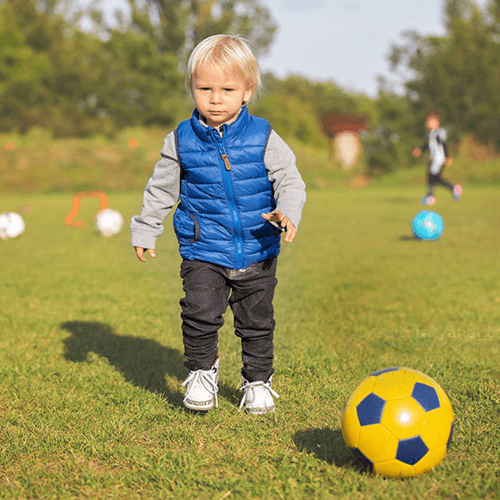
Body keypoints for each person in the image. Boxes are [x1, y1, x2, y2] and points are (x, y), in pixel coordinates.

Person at [130, 34, 306, 415]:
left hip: (258, 247)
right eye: (204, 88)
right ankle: (201, 372)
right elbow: (160, 189)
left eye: (227, 88)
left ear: (247, 91)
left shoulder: (264, 137)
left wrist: (287, 210)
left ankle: (257, 381)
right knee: (198, 313)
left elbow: (289, 179)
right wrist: (146, 228)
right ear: (192, 87)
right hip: (203, 247)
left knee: (257, 323)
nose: (215, 98)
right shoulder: (180, 139)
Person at [412, 112, 462, 204]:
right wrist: (420, 150)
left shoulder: (439, 132)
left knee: (431, 176)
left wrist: (447, 157)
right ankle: (454, 188)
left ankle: (430, 197)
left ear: (437, 122)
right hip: (434, 158)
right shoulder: (430, 134)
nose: (427, 123)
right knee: (436, 178)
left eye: (430, 121)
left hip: (439, 158)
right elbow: (428, 145)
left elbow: (443, 144)